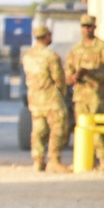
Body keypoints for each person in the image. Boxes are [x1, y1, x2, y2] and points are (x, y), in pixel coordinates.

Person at [65, 14, 104, 170]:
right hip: (80, 97)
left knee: (99, 128)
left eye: (89, 26)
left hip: (97, 95)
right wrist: (73, 77)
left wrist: (89, 73)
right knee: (81, 129)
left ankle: (103, 159)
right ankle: (83, 159)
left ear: (94, 27)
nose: (86, 29)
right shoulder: (75, 50)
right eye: (84, 26)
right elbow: (68, 72)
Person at [22, 25, 71, 173]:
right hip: (51, 99)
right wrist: (63, 93)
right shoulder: (51, 56)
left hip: (35, 99)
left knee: (38, 130)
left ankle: (38, 161)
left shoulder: (27, 56)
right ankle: (54, 161)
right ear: (47, 36)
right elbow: (59, 79)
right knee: (58, 128)